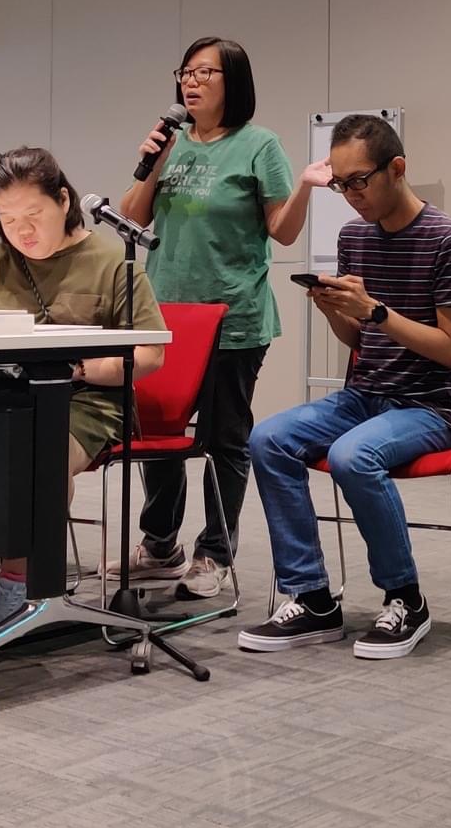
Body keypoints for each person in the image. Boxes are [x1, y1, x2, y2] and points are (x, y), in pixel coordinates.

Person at [0, 145, 168, 666]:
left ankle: (17, 590)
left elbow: (148, 353)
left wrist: (80, 367)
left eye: (33, 215)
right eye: (8, 219)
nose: (22, 231)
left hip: (81, 403)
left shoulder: (113, 263)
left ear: (64, 200)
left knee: (31, 458)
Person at [238, 114, 451, 661]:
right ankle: (312, 597)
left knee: (352, 456)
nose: (350, 196)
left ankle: (405, 598)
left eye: (359, 181)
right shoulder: (353, 237)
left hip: (429, 406)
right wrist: (336, 311)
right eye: (340, 184)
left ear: (397, 169)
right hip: (365, 394)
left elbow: (450, 350)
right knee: (268, 439)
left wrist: (376, 311)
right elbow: (357, 337)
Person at [111, 36, 325, 600]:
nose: (193, 81)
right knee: (153, 431)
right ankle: (161, 545)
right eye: (186, 71)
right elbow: (131, 217)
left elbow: (282, 230)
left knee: (223, 439)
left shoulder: (259, 145)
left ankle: (215, 553)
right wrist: (153, 163)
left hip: (231, 316)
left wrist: (303, 186)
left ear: (234, 81)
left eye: (207, 72)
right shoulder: (171, 144)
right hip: (162, 316)